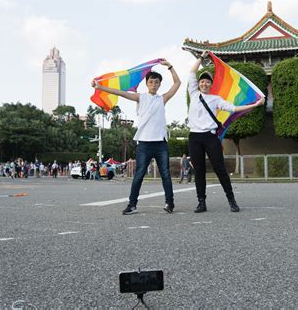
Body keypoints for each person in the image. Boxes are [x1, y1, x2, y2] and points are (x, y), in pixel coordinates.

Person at [91, 59, 181, 215]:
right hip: (144, 144)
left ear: (160, 84)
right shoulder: (140, 97)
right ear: (147, 84)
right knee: (139, 174)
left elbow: (177, 83)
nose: (154, 84)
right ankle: (132, 205)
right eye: (151, 82)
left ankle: (170, 203)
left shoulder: (162, 99)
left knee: (165, 174)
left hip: (160, 144)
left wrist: (170, 67)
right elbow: (121, 93)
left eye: (157, 82)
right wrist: (100, 87)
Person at [188, 51, 265, 213]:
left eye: (207, 82)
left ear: (211, 84)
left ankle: (231, 200)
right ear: (199, 83)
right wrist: (201, 58)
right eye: (202, 81)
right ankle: (201, 202)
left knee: (220, 169)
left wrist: (255, 105)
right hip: (194, 137)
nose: (204, 84)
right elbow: (191, 72)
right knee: (199, 171)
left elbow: (233, 108)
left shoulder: (216, 99)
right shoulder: (194, 93)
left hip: (211, 137)